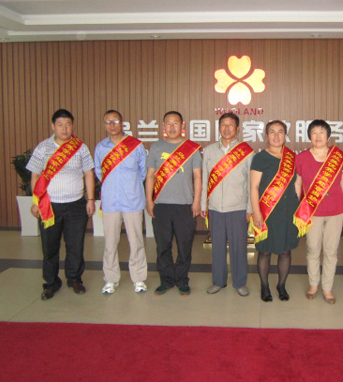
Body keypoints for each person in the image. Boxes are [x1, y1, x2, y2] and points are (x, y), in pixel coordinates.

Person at [27, 109, 96, 300]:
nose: (64, 129)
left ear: (72, 126)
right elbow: (35, 175)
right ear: (53, 126)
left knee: (75, 245)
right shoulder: (43, 148)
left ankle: (75, 279)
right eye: (60, 125)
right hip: (49, 205)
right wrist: (35, 202)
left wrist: (90, 199)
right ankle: (51, 283)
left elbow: (88, 173)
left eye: (68, 124)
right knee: (49, 247)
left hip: (76, 205)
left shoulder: (80, 147)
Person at [145, 111, 202, 296]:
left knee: (185, 246)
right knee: (163, 246)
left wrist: (197, 201)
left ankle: (182, 280)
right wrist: (149, 200)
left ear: (182, 125)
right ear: (163, 126)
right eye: (168, 123)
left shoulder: (191, 148)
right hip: (161, 205)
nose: (171, 127)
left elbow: (198, 176)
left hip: (185, 205)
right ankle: (166, 280)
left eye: (175, 123)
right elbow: (150, 176)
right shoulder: (156, 147)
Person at [294, 120, 343, 304]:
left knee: (331, 251)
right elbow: (298, 184)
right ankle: (313, 284)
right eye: (314, 132)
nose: (318, 136)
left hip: (335, 210)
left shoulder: (338, 156)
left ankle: (327, 287)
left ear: (328, 135)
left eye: (322, 132)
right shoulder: (302, 157)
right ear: (309, 136)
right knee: (312, 248)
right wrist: (298, 208)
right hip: (312, 211)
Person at [94, 110, 148, 295]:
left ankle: (139, 278)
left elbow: (143, 172)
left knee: (136, 241)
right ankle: (110, 279)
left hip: (132, 201)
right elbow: (99, 172)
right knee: (110, 243)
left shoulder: (136, 146)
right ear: (104, 125)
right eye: (107, 122)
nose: (112, 125)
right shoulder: (101, 147)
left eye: (115, 121)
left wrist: (130, 186)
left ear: (122, 123)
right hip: (110, 202)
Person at [201, 113, 254, 297]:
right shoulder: (209, 151)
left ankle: (239, 282)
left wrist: (250, 208)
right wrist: (203, 204)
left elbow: (251, 183)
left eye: (230, 125)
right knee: (217, 247)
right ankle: (218, 281)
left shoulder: (246, 152)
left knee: (239, 247)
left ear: (237, 129)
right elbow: (205, 180)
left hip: (238, 207)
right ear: (219, 128)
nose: (226, 128)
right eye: (223, 124)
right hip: (215, 207)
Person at [250, 120, 299, 302]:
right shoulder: (260, 158)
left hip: (288, 211)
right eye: (272, 132)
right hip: (267, 212)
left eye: (280, 132)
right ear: (266, 135)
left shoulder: (292, 157)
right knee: (265, 251)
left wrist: (298, 209)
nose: (276, 136)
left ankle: (281, 285)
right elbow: (254, 187)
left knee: (286, 251)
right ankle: (264, 286)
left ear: (285, 135)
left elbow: (297, 184)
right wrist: (256, 213)